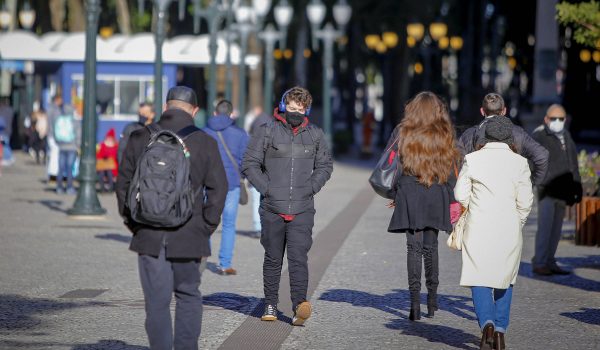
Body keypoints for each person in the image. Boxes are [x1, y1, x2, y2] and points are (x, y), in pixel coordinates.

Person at [116, 86, 228, 350]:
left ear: (165, 107)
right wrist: (206, 227)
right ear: (195, 110)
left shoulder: (140, 137)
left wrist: (136, 224)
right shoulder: (205, 142)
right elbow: (218, 189)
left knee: (156, 303)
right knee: (189, 296)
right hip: (190, 235)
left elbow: (123, 186)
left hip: (149, 234)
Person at [242, 86, 333, 326]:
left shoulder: (315, 134)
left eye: (300, 109)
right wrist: (267, 189)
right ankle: (270, 303)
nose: (295, 112)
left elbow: (325, 166)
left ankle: (298, 306)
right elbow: (249, 164)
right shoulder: (266, 131)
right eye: (291, 108)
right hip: (272, 207)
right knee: (273, 258)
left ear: (307, 110)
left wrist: (311, 187)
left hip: (302, 208)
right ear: (283, 107)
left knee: (298, 258)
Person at [454, 116, 533, 350]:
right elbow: (526, 201)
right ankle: (499, 331)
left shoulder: (472, 159)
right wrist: (517, 221)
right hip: (508, 227)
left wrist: (473, 205)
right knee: (505, 279)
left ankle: (486, 324)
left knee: (479, 277)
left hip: (478, 226)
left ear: (485, 136)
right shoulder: (520, 163)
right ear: (509, 138)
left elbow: (459, 194)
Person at [386, 91, 461, 321]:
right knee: (431, 247)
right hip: (436, 192)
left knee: (413, 248)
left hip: (410, 191)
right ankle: (432, 300)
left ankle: (414, 304)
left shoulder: (403, 131)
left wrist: (395, 193)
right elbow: (452, 168)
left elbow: (392, 164)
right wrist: (453, 199)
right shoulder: (445, 132)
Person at [531, 104, 582, 276]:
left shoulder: (566, 135)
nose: (558, 122)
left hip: (563, 190)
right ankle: (539, 262)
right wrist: (540, 181)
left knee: (556, 230)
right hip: (547, 190)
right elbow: (533, 162)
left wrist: (577, 187)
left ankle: (550, 261)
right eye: (554, 119)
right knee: (545, 228)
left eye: (561, 119)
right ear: (546, 119)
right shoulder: (539, 135)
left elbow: (572, 163)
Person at [458, 93, 549, 186]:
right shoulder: (517, 133)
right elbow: (542, 156)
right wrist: (531, 183)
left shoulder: (469, 135)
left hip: (478, 195)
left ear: (482, 111)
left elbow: (460, 165)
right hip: (510, 194)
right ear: (504, 111)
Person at [202, 100, 249, 275]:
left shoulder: (204, 132)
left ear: (215, 113)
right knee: (229, 224)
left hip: (208, 183)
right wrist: (242, 177)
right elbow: (246, 161)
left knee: (206, 220)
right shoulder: (240, 134)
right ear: (231, 114)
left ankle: (201, 258)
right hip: (232, 183)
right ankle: (225, 264)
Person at [247, 106, 272, 238]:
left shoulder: (254, 130)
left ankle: (258, 227)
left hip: (256, 170)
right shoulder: (271, 126)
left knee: (256, 198)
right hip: (268, 172)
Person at [48, 94, 80, 195]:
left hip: (61, 145)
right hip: (72, 146)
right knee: (70, 168)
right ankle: (69, 187)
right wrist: (78, 144)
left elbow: (53, 129)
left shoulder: (59, 118)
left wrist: (57, 141)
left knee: (61, 168)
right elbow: (78, 133)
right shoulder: (74, 121)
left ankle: (59, 187)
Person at [96, 128, 119, 192]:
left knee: (109, 172)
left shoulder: (116, 146)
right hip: (103, 165)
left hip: (112, 166)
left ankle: (110, 188)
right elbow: (98, 155)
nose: (109, 139)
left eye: (111, 138)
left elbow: (116, 156)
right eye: (108, 137)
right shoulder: (102, 145)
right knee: (101, 173)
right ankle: (102, 188)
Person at [0, 97, 14, 166]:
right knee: (6, 144)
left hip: (3, 131)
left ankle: (9, 157)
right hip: (8, 130)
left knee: (5, 145)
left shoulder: (2, 112)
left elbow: (2, 123)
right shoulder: (10, 111)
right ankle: (8, 157)